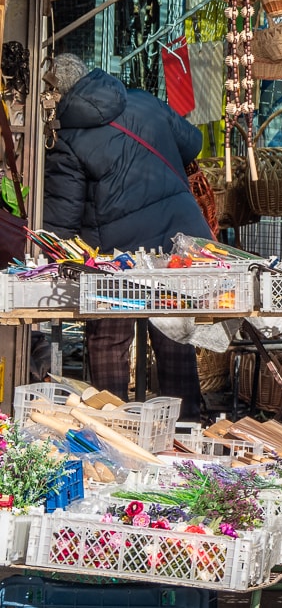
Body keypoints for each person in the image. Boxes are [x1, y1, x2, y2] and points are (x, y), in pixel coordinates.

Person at [43, 53, 211, 420]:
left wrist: (47, 258)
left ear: (57, 94)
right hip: (176, 242)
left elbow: (62, 219)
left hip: (118, 257)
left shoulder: (66, 138)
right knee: (172, 335)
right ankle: (185, 428)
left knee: (108, 338)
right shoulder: (144, 101)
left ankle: (112, 424)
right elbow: (193, 143)